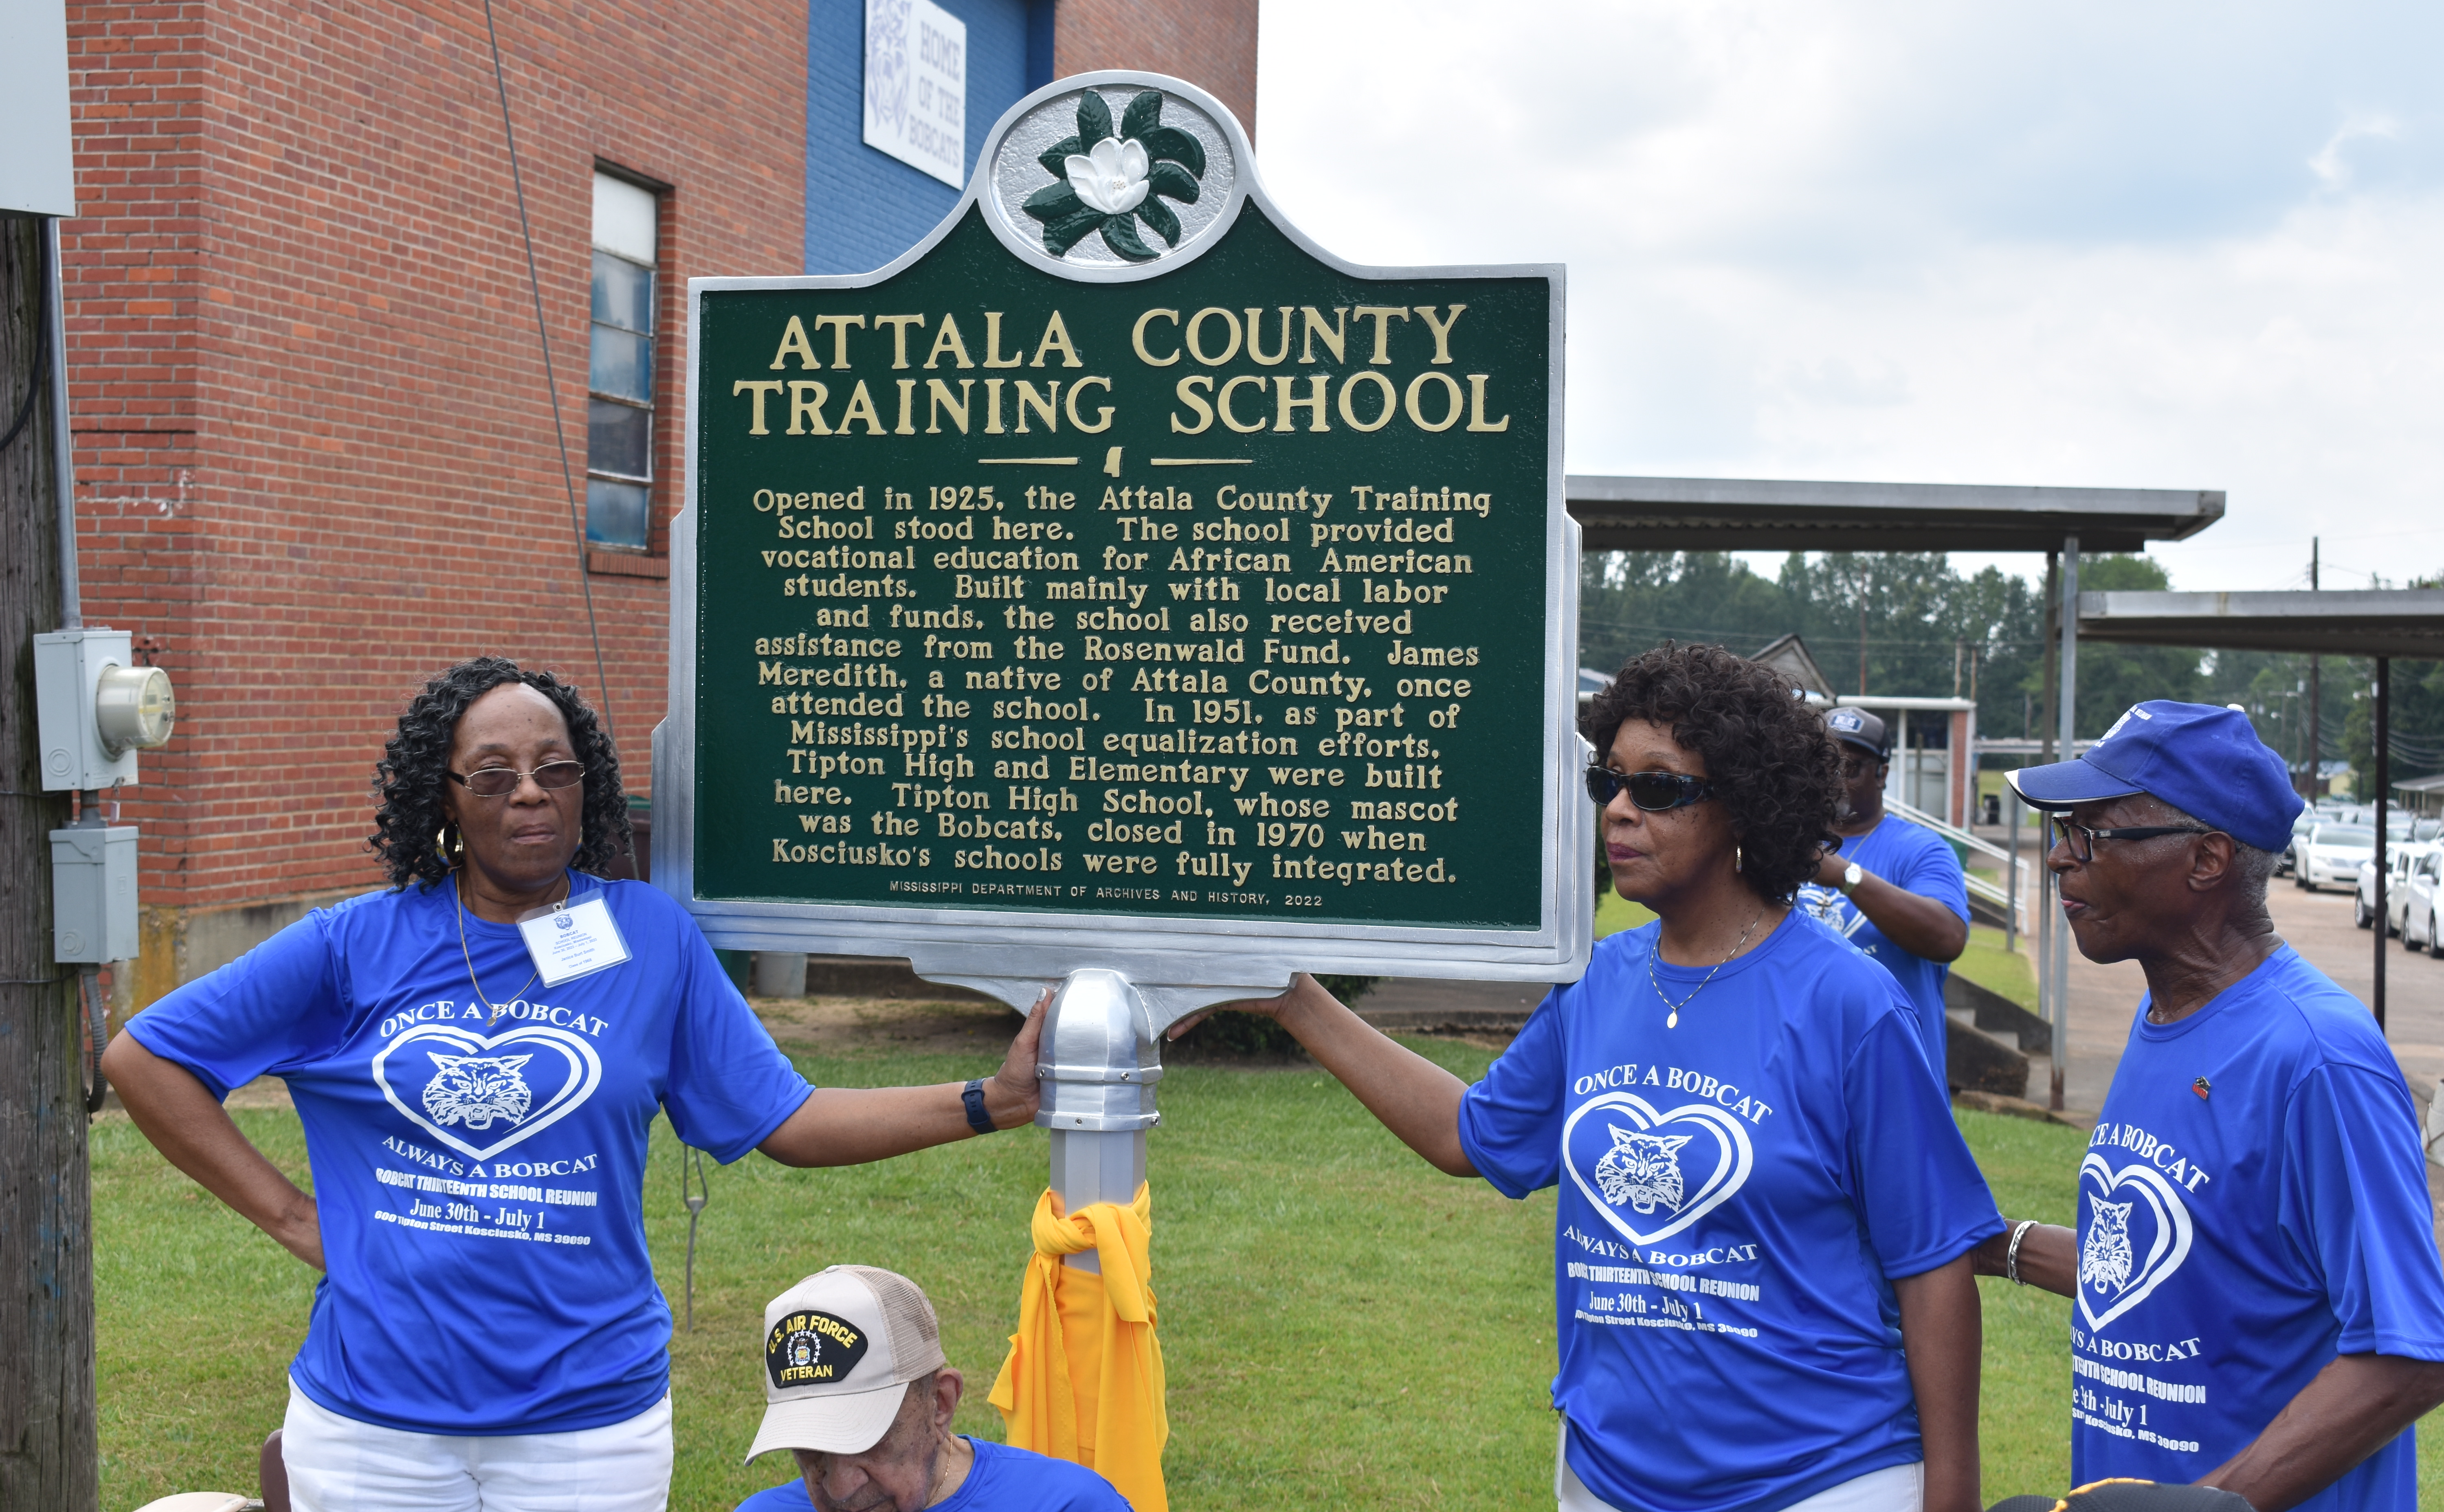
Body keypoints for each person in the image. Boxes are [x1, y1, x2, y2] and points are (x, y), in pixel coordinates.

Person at [101, 658, 1051, 1512]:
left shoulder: (649, 938)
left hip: (589, 1420)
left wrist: (991, 1101)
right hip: (373, 1418)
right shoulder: (355, 945)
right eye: (493, 774)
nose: (529, 792)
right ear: (443, 796)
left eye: (555, 769)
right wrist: (296, 1219)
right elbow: (145, 1058)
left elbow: (788, 1116)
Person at [1181, 643, 2002, 1512]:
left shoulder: (1850, 1003)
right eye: (1608, 781)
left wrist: (1951, 1494)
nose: (1618, 810)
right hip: (1605, 1477)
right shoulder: (1599, 981)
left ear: (1744, 806)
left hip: (1821, 1479)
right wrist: (1294, 998)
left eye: (1658, 788)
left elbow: (1933, 1262)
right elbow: (1469, 1133)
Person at [1980, 700, 2444, 1512]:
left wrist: (2203, 1505)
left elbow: (2411, 1355)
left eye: (2091, 833)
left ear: (2206, 858)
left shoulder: (2316, 1055)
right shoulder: (2163, 1015)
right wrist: (1987, 1245)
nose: (2058, 857)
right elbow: (2178, 1267)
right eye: (2062, 830)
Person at [735, 1265, 1131, 1511]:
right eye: (811, 1449)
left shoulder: (1067, 1505)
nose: (838, 1489)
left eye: (864, 1441)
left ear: (940, 1402)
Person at [1797, 707, 1971, 1066]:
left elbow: (1948, 938)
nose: (1834, 778)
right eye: (1824, 764)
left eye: (1851, 767)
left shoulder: (1921, 849)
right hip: (1805, 1069)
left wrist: (1847, 877)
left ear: (1882, 774)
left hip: (1895, 1071)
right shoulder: (1786, 845)